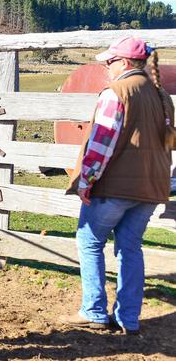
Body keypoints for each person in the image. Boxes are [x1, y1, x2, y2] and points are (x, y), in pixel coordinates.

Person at [60, 35, 174, 335]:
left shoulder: (116, 93)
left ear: (124, 63)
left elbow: (101, 143)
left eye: (109, 62)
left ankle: (94, 311)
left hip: (115, 188)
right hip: (151, 188)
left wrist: (85, 181)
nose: (106, 67)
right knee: (130, 248)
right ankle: (129, 318)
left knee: (89, 241)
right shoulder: (161, 95)